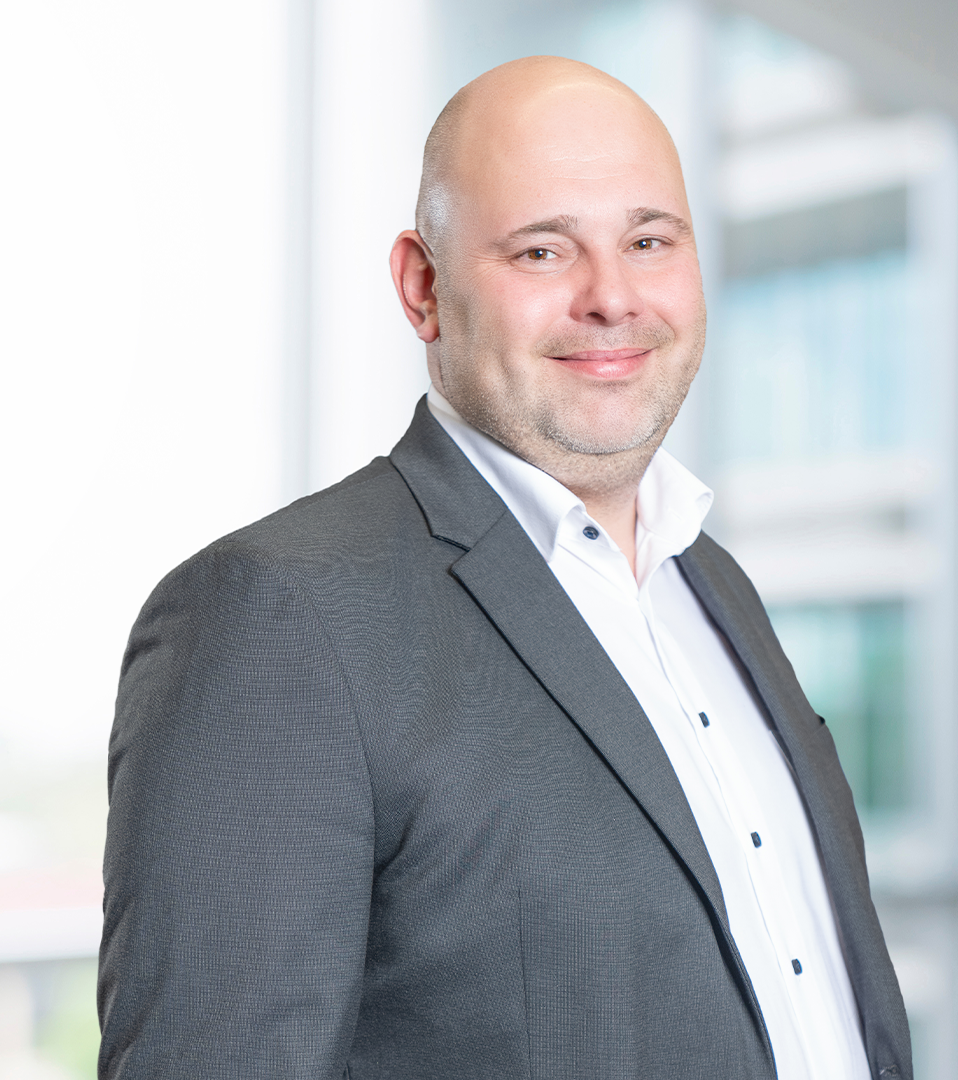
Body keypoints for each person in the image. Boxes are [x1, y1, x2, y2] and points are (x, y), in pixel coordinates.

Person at [98, 56, 911, 1079]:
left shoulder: (716, 590)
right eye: (542, 251)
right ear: (422, 285)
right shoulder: (277, 619)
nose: (612, 298)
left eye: (649, 241)